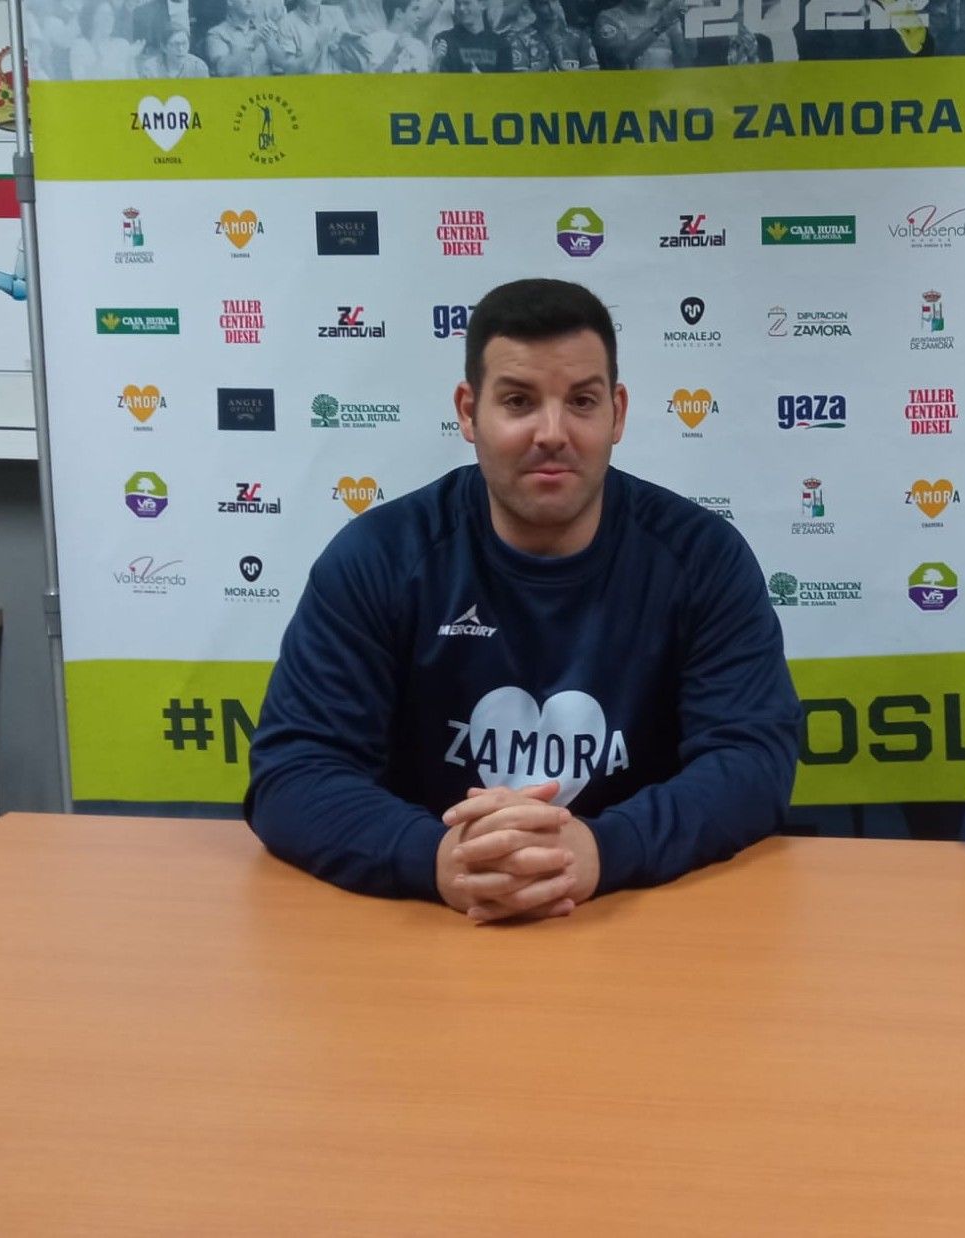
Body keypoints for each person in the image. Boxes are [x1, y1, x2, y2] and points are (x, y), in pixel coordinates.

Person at [247, 279, 801, 923]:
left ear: (617, 413)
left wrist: (599, 849)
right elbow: (295, 772)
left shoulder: (703, 558)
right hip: (433, 929)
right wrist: (438, 858)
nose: (552, 432)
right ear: (467, 410)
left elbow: (752, 761)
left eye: (582, 402)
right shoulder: (379, 557)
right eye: (518, 401)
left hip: (637, 919)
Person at [593, 0, 688, 69]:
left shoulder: (665, 15)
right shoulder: (609, 18)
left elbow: (685, 60)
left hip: (666, 90)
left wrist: (689, 22)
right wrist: (659, 27)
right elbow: (622, 56)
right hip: (629, 91)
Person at [68, 0, 143, 79]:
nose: (109, 19)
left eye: (111, 15)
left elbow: (134, 81)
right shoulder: (79, 46)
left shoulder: (122, 44)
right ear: (91, 18)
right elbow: (82, 82)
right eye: (103, 15)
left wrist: (129, 57)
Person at [203, 0, 280, 74]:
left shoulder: (264, 30)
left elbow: (280, 68)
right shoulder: (216, 34)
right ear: (230, 1)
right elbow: (223, 70)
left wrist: (274, 41)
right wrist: (252, 44)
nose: (250, 0)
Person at [431, 0, 513, 70]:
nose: (461, 8)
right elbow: (438, 84)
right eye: (457, 3)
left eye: (466, 3)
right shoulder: (444, 40)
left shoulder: (501, 45)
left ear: (482, 4)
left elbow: (506, 85)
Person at [139, 22, 213, 73]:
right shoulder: (150, 68)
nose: (180, 49)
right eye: (175, 44)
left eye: (184, 44)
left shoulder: (198, 67)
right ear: (164, 47)